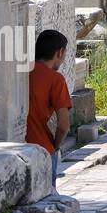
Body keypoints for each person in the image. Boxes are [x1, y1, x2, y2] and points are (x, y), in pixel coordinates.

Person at [27, 30, 72, 185]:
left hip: (16, 146)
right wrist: (56, 145)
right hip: (42, 146)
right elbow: (63, 126)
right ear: (59, 52)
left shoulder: (22, 71)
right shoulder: (56, 79)